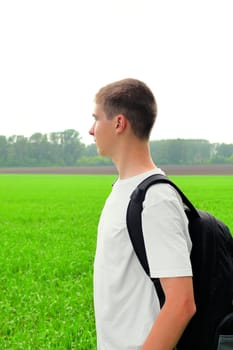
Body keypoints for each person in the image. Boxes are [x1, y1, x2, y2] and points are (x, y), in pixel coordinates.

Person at [89, 78, 196, 350]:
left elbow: (181, 303)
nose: (91, 130)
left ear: (118, 123)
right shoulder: (124, 190)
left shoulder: (156, 199)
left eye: (96, 118)